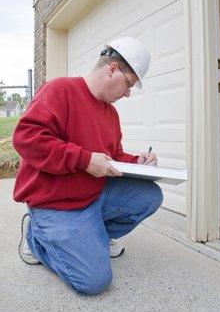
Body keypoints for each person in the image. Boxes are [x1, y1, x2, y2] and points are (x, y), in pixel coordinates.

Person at [12, 36, 163, 295]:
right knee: (94, 281)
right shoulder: (59, 90)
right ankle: (37, 238)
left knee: (150, 195)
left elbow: (112, 155)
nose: (127, 94)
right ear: (112, 69)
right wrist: (83, 160)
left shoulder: (111, 114)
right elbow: (26, 138)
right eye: (128, 85)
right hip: (55, 204)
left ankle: (95, 237)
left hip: (94, 196)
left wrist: (137, 162)